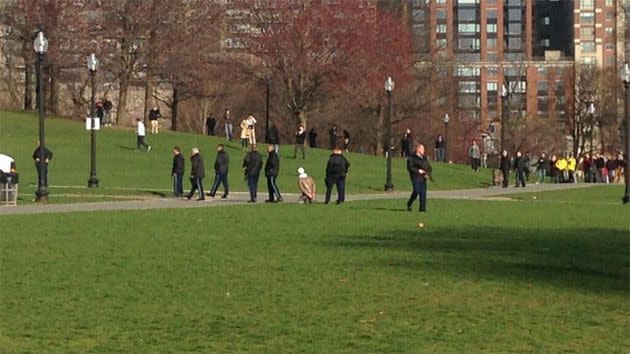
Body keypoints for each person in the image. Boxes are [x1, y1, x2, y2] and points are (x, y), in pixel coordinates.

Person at [406, 143, 432, 212]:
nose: (424, 150)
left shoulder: (425, 158)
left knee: (423, 193)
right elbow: (410, 168)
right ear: (418, 149)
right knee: (416, 191)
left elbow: (429, 167)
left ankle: (422, 209)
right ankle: (410, 202)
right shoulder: (412, 157)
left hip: (423, 178)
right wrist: (418, 171)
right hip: (416, 177)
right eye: (422, 149)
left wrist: (428, 174)